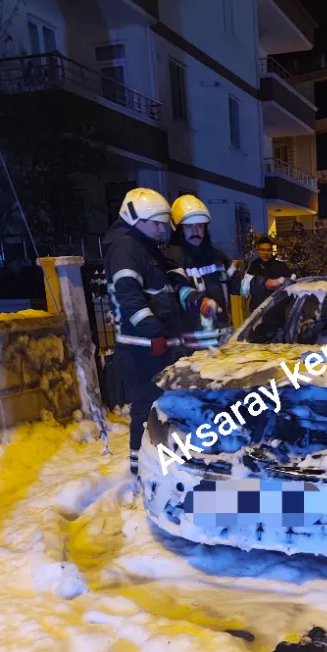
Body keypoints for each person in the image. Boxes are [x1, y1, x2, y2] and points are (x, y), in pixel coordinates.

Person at [102, 187, 185, 475]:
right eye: (157, 223)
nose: (163, 229)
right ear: (136, 219)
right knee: (145, 410)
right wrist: (154, 332)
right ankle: (141, 472)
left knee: (161, 409)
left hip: (153, 345)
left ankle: (159, 462)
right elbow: (128, 295)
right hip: (142, 348)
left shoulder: (146, 249)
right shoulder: (126, 248)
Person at [163, 195, 240, 350]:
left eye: (199, 226)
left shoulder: (217, 256)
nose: (195, 231)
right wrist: (201, 301)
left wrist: (267, 283)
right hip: (193, 348)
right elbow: (180, 290)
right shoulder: (171, 258)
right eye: (189, 227)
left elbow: (239, 282)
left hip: (224, 342)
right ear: (178, 229)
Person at [241, 235, 295, 313]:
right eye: (262, 250)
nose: (265, 253)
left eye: (268, 250)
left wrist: (281, 304)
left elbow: (291, 288)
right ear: (258, 250)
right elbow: (244, 288)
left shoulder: (281, 267)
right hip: (257, 313)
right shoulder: (253, 266)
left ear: (272, 251)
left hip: (276, 314)